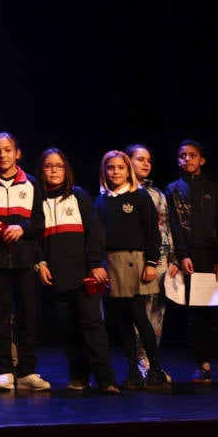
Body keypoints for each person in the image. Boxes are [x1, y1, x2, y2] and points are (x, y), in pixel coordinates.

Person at [33, 148, 119, 394]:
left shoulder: (78, 196)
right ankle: (78, 376)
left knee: (93, 327)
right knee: (68, 329)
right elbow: (34, 240)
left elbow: (95, 232)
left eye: (58, 166)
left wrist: (94, 263)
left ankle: (106, 379)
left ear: (66, 169)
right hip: (56, 277)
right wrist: (40, 263)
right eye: (48, 166)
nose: (53, 170)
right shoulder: (36, 201)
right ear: (41, 170)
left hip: (84, 275)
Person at [0, 132, 49, 392]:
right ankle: (3, 369)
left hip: (24, 260)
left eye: (7, 150)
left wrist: (22, 228)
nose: (2, 155)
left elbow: (40, 222)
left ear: (17, 153)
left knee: (28, 317)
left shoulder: (30, 183)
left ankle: (27, 370)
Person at [93, 150, 170, 390]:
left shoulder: (139, 197)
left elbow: (152, 232)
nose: (115, 172)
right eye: (110, 168)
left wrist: (150, 263)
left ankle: (155, 368)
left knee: (139, 317)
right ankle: (133, 371)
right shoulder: (102, 200)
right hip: (112, 263)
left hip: (135, 261)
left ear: (128, 171)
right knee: (122, 321)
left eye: (120, 167)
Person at [166, 139, 218, 385]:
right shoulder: (172, 189)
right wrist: (183, 255)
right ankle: (202, 364)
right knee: (196, 314)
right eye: (182, 155)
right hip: (191, 258)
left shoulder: (215, 189)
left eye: (192, 155)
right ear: (178, 160)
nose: (187, 159)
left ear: (201, 160)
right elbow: (174, 226)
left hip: (215, 257)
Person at [126, 144, 177, 379]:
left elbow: (165, 227)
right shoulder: (123, 191)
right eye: (140, 159)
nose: (146, 164)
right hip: (138, 260)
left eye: (149, 160)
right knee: (139, 313)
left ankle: (152, 359)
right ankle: (140, 360)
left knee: (157, 311)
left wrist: (173, 257)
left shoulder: (158, 194)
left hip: (162, 258)